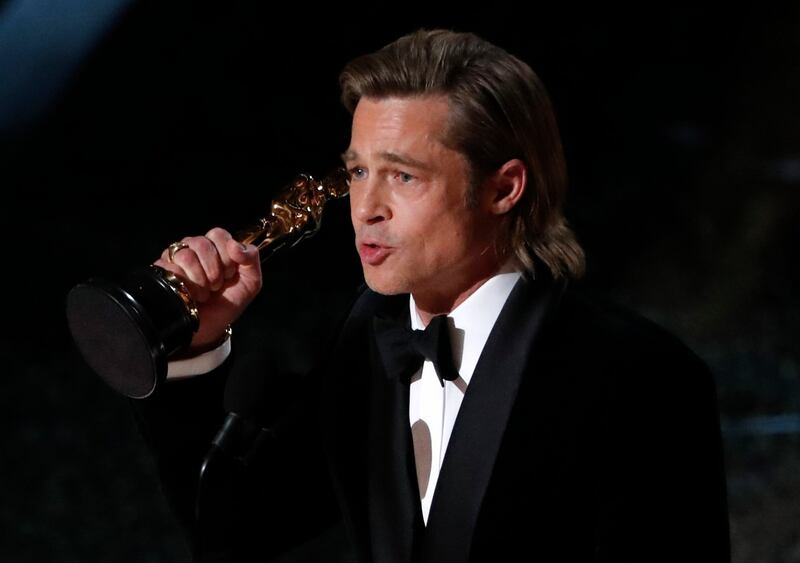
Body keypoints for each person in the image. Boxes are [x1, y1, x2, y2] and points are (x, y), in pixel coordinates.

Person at [134, 29, 730, 562]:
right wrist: (196, 347)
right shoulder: (365, 346)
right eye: (359, 172)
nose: (365, 209)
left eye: (403, 175)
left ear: (504, 188)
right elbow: (234, 531)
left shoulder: (641, 376)